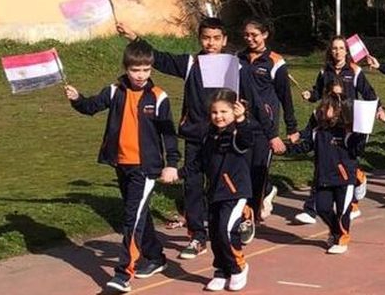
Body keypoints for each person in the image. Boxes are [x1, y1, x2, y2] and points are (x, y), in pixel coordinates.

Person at [116, 18, 278, 259]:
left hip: (227, 137)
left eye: (215, 38)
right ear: (199, 38)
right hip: (196, 135)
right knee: (192, 186)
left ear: (224, 40)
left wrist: (269, 133)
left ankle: (244, 216)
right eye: (205, 38)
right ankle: (197, 237)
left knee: (226, 185)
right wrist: (134, 37)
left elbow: (253, 99)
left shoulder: (236, 66)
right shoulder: (191, 63)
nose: (210, 43)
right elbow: (159, 58)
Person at [64, 41, 180, 293]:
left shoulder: (158, 96)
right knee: (139, 215)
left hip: (146, 168)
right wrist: (77, 99)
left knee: (131, 219)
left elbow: (168, 134)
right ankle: (156, 257)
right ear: (126, 68)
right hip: (121, 164)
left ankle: (123, 274)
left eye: (146, 70)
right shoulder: (114, 91)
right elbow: (90, 107)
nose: (141, 76)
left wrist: (171, 164)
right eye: (136, 70)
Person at [296, 39, 381, 224]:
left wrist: (379, 109)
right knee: (322, 163)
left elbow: (369, 93)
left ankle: (357, 181)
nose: (337, 51)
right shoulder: (324, 71)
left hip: (350, 124)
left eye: (341, 48)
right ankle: (311, 209)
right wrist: (310, 95)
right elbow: (318, 92)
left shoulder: (355, 71)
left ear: (347, 51)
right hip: (328, 122)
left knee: (348, 162)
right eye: (334, 48)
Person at [189, 90, 258, 292]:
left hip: (235, 192)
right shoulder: (209, 136)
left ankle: (238, 267)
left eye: (224, 111)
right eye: (214, 112)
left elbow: (247, 140)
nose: (219, 116)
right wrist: (178, 172)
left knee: (226, 231)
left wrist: (242, 119)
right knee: (216, 235)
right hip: (214, 192)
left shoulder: (237, 132)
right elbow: (200, 163)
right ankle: (221, 270)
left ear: (233, 111)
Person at [285, 93, 367, 255]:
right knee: (322, 208)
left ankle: (342, 238)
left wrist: (360, 134)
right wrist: (284, 150)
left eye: (327, 106)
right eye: (322, 106)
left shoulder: (347, 132)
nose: (322, 109)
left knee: (343, 211)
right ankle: (336, 231)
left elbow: (356, 149)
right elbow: (305, 147)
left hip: (344, 179)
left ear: (338, 110)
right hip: (323, 178)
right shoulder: (317, 131)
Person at [238, 19, 299, 223]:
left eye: (254, 34)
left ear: (265, 35)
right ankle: (266, 191)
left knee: (258, 170)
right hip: (241, 122)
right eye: (246, 35)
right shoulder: (238, 58)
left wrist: (291, 127)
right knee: (242, 169)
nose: (250, 38)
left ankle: (251, 216)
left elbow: (285, 97)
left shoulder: (275, 62)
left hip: (266, 126)